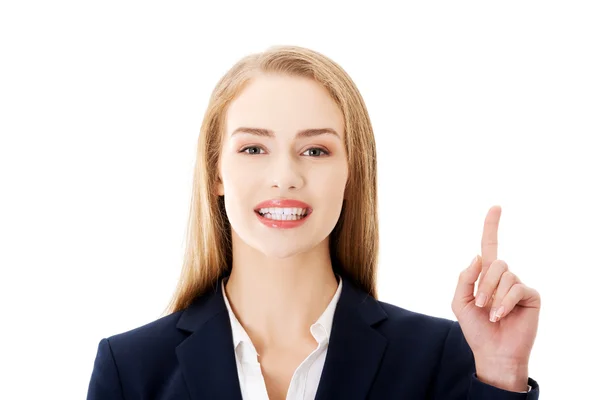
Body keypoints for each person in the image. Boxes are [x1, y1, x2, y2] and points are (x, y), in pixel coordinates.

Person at [86, 45, 541, 399]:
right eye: (253, 148)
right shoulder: (131, 369)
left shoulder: (441, 356)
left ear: (351, 175)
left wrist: (501, 374)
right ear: (216, 173)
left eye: (316, 150)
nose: (285, 177)